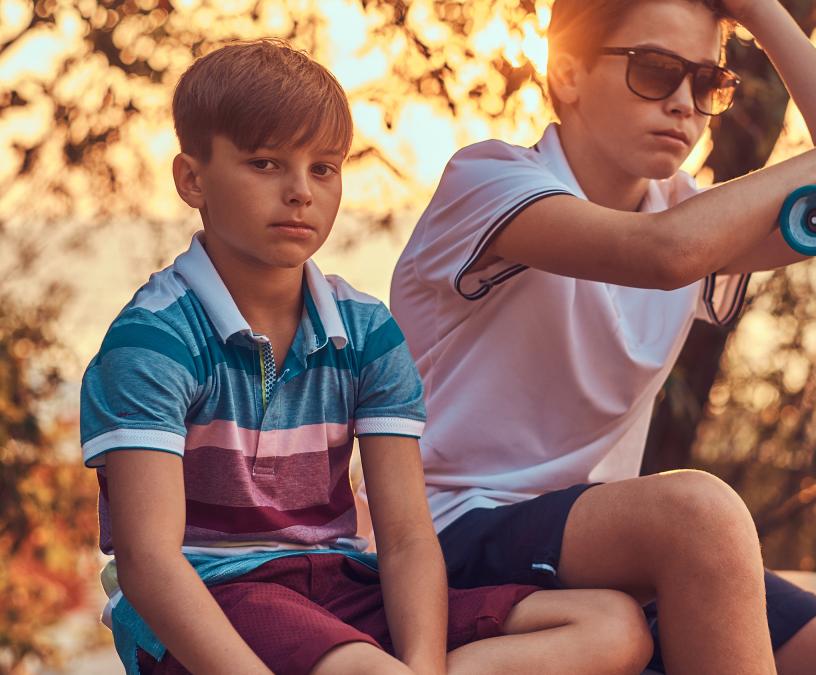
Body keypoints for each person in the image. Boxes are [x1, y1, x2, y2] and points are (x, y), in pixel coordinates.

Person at [390, 0, 816, 673]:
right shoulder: (488, 182)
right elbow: (665, 252)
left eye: (708, 84)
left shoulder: (688, 213)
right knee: (698, 511)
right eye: (655, 70)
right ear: (567, 73)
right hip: (444, 533)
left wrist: (763, 16)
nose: (685, 105)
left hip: (595, 548)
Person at [80, 39, 652, 675]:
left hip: (341, 586)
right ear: (192, 179)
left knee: (613, 626)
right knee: (365, 667)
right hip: (213, 599)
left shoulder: (366, 333)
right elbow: (148, 561)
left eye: (323, 168)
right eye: (265, 164)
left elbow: (406, 538)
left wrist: (424, 664)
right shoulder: (154, 341)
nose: (300, 192)